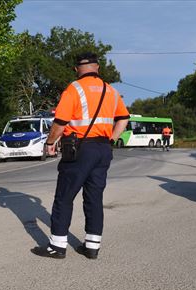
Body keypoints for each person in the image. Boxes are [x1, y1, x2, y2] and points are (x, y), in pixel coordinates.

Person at [31, 52, 130, 260]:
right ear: (98, 68)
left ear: (77, 69)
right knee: (94, 198)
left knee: (65, 196)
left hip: (79, 149)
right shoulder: (111, 91)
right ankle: (92, 246)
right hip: (103, 149)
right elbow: (123, 119)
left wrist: (50, 143)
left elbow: (60, 121)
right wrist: (110, 139)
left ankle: (57, 246)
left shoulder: (74, 89)